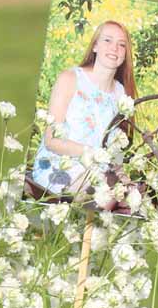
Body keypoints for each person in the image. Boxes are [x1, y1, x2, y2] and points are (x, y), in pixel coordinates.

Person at [32, 20, 137, 195]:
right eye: (107, 40)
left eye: (121, 45)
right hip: (58, 166)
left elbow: (111, 145)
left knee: (131, 195)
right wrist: (93, 154)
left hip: (98, 171)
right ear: (95, 46)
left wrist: (124, 177)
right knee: (100, 190)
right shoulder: (70, 78)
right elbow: (51, 141)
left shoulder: (120, 93)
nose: (114, 48)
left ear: (125, 54)